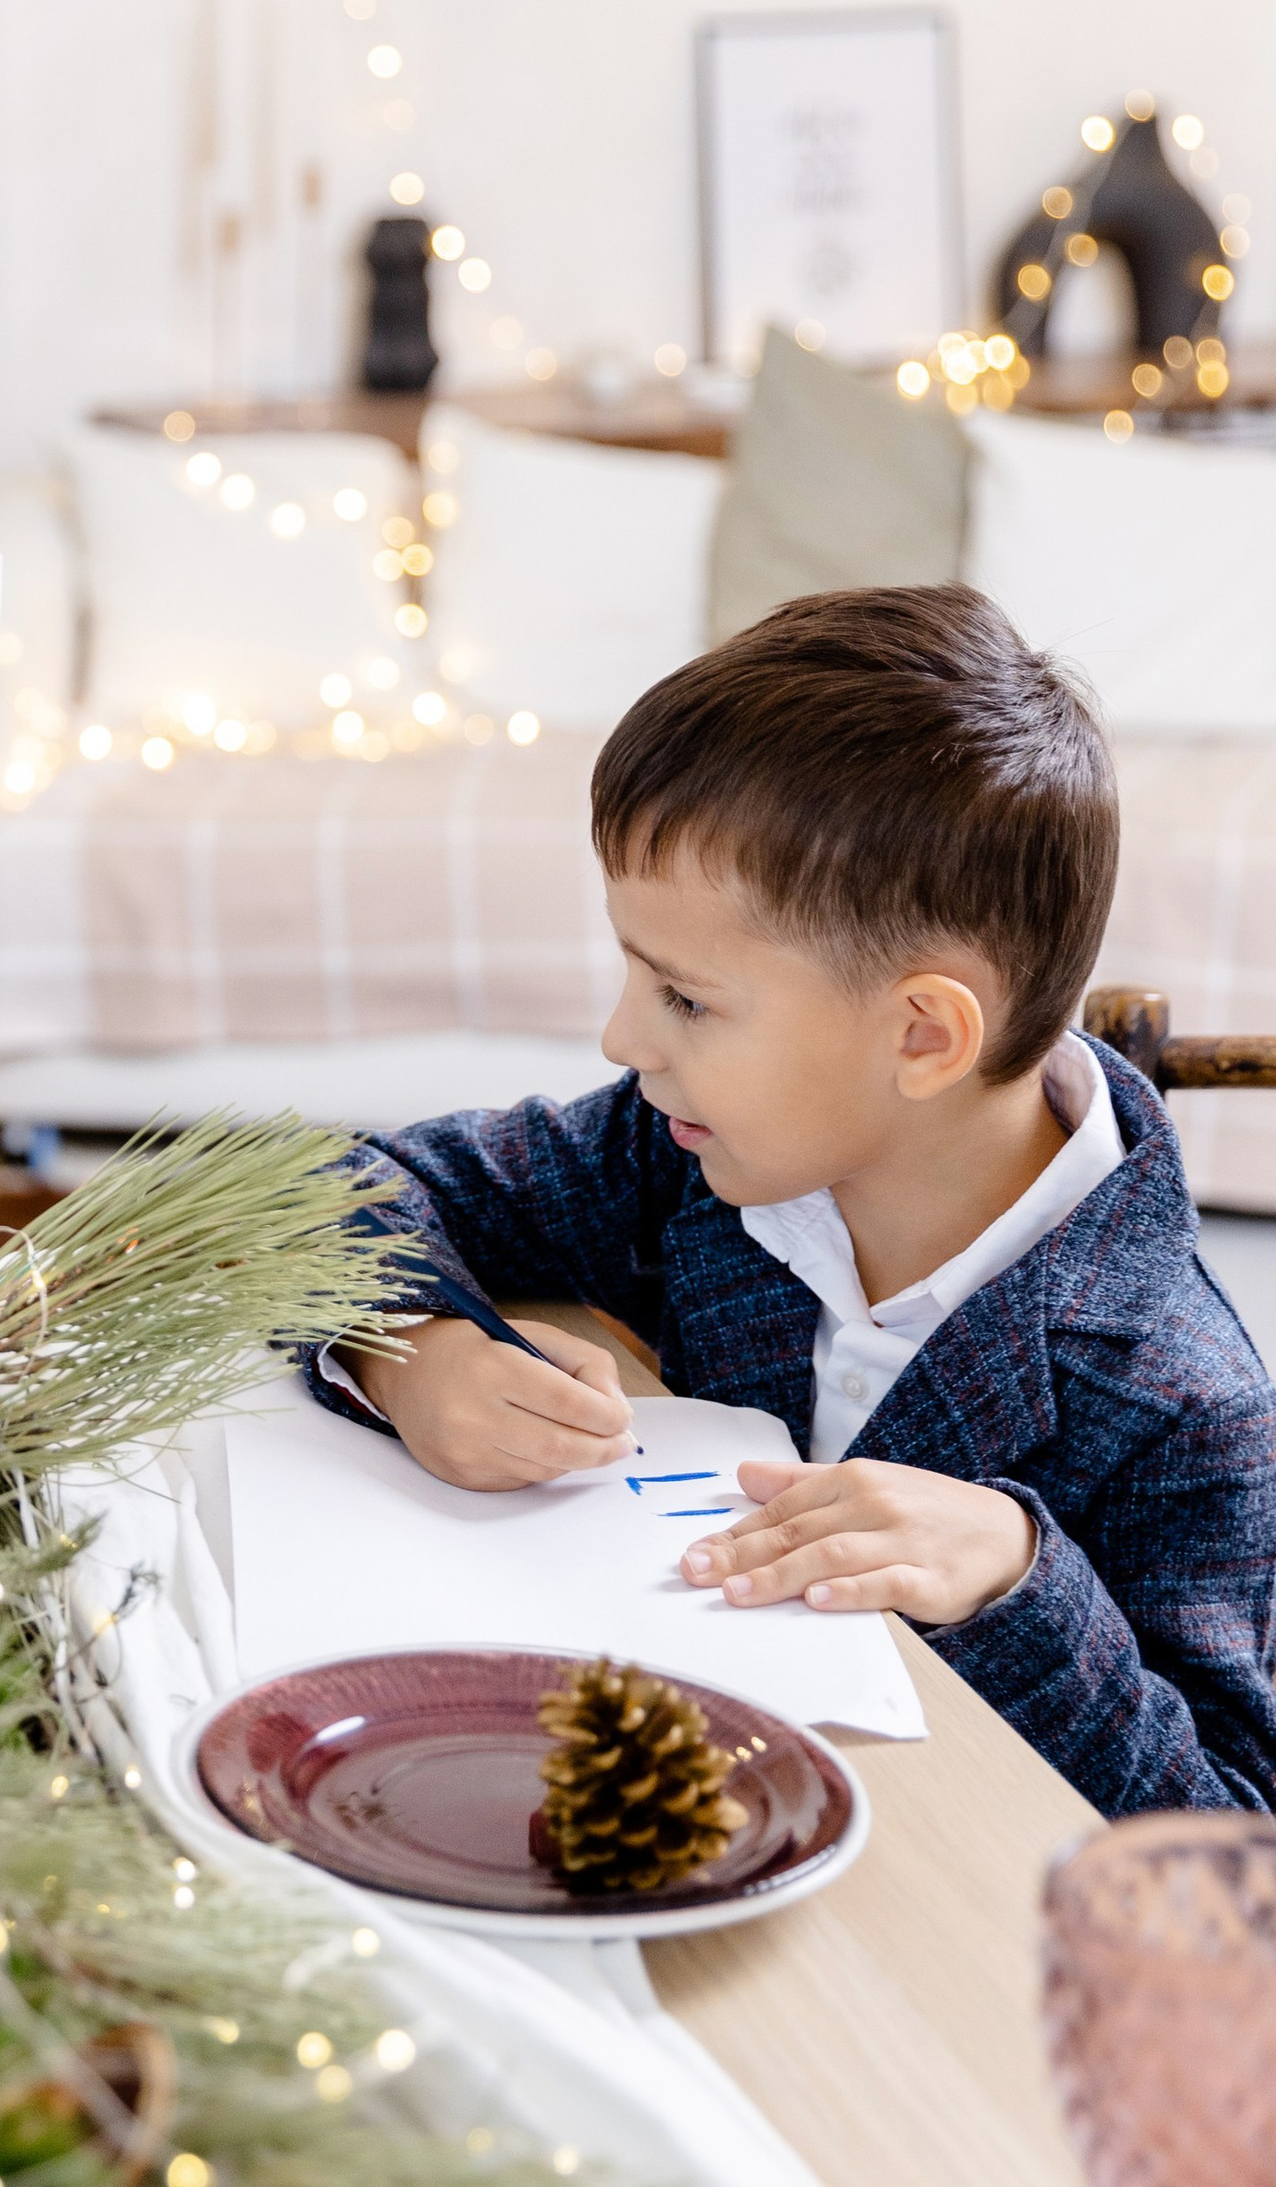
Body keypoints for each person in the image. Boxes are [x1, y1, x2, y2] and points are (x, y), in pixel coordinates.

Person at [312, 584, 1276, 1818]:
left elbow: (1227, 1844)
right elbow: (335, 1184)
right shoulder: (683, 1160)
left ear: (922, 1034)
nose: (621, 1037)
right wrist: (408, 1349)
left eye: (686, 998)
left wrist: (1019, 1584)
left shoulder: (1180, 1401)